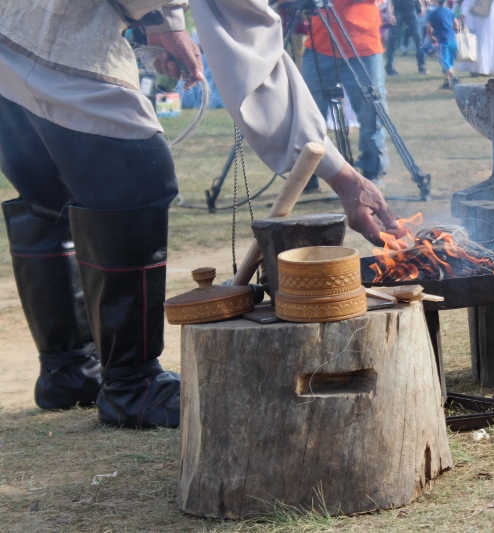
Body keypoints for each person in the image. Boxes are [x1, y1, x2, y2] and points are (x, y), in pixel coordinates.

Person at [0, 0, 400, 428]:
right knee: (138, 176)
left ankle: (68, 370)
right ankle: (132, 386)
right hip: (59, 39)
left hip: (15, 29)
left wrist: (162, 22)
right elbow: (248, 45)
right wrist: (343, 177)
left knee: (49, 192)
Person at [300, 0, 390, 188]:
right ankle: (306, 173)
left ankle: (372, 171)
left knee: (371, 112)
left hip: (363, 45)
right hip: (319, 45)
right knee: (308, 114)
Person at [457, 0, 494, 75]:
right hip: (481, 15)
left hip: (492, 12)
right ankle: (481, 67)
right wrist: (464, 12)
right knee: (484, 39)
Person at [386, 0, 428, 74]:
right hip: (398, 10)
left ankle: (422, 66)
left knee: (419, 39)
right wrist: (390, 13)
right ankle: (389, 66)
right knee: (393, 39)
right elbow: (390, 1)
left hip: (410, 10)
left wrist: (421, 6)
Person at [427, 0, 461, 88]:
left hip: (443, 41)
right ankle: (446, 83)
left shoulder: (433, 13)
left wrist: (431, 37)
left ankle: (453, 77)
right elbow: (457, 25)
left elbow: (428, 28)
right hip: (452, 40)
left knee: (444, 61)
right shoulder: (450, 11)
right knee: (449, 62)